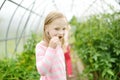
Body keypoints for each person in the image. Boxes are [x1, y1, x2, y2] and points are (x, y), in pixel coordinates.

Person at [35, 11, 69, 80]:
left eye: (64, 29)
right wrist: (51, 49)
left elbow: (61, 69)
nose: (61, 33)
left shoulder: (58, 44)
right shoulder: (41, 47)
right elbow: (42, 71)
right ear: (46, 28)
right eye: (57, 29)